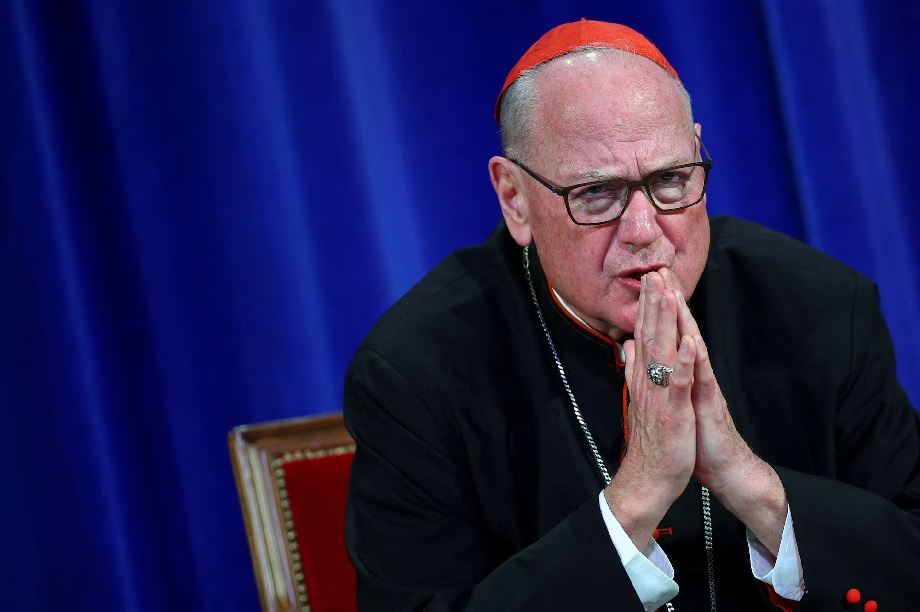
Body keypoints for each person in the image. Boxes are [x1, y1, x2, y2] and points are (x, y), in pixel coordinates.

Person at [343, 19, 920, 611]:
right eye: (596, 193)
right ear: (514, 198)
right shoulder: (416, 373)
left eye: (670, 180)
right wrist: (635, 500)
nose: (644, 231)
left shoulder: (822, 308)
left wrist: (750, 483)